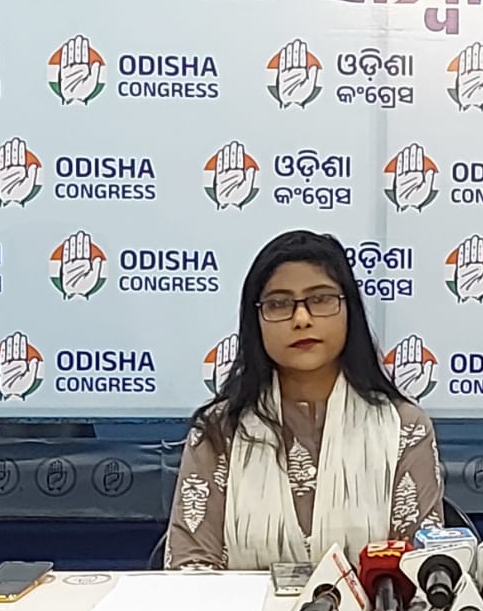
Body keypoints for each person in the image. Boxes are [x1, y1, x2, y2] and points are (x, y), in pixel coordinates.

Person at [166, 230, 443, 570]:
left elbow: (421, 568)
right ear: (255, 320)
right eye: (279, 304)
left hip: (376, 607)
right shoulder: (219, 431)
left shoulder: (404, 428)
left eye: (320, 299)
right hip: (242, 607)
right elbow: (190, 569)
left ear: (349, 309)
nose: (301, 319)